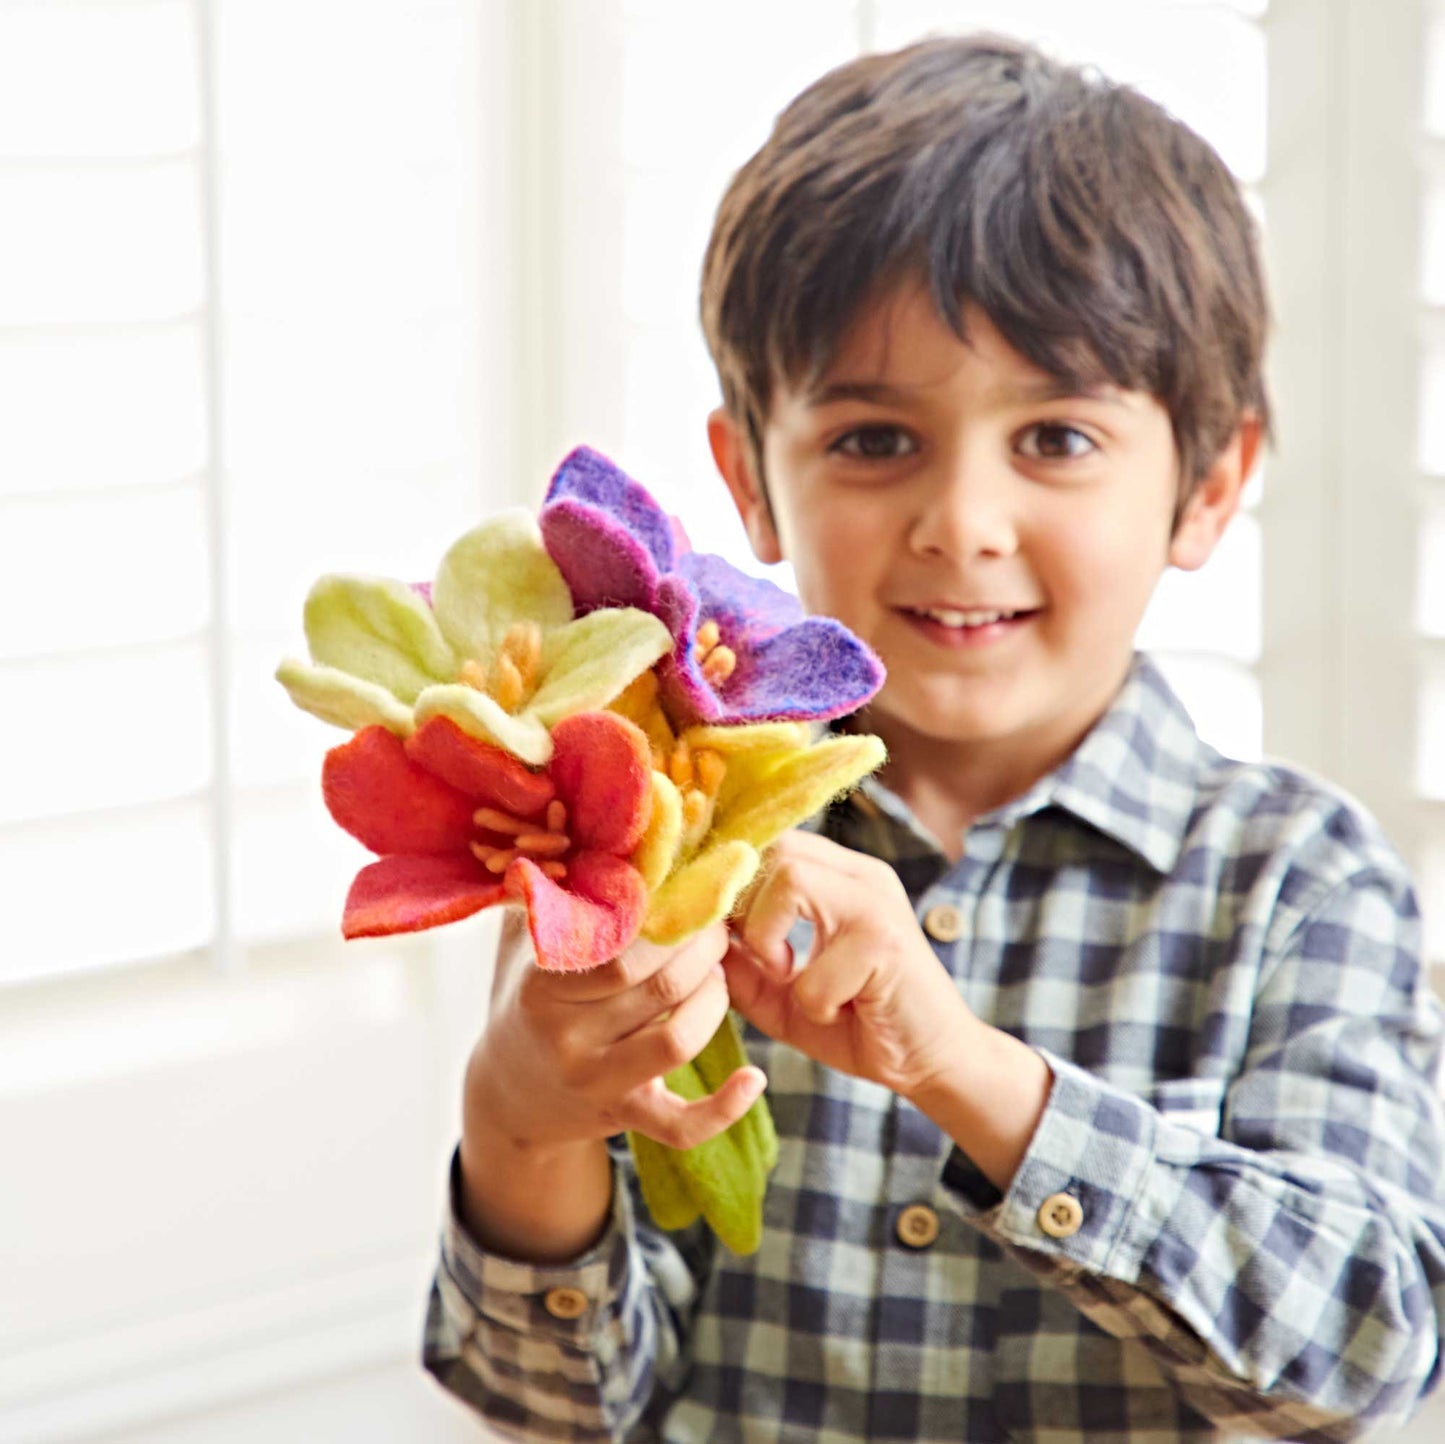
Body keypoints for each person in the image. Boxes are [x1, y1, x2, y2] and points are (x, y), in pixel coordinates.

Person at [422, 34, 1445, 1442]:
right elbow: (553, 1403)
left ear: (1209, 486)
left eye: (1057, 441)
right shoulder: (645, 844)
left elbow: (1365, 1347)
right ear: (751, 482)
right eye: (872, 441)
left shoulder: (1298, 881)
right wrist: (520, 1118)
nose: (960, 521)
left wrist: (962, 1069)